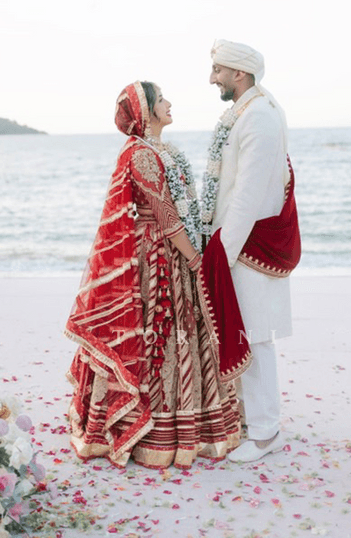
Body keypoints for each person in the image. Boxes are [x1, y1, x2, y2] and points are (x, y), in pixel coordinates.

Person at [65, 81, 241, 469]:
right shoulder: (142, 155)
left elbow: (182, 210)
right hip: (156, 259)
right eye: (161, 99)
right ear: (145, 111)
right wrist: (196, 261)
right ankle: (150, 432)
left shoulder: (162, 151)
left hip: (170, 250)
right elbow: (166, 215)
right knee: (157, 335)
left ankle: (188, 425)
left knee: (182, 335)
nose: (169, 103)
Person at [201, 39, 301, 464]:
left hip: (247, 245)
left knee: (255, 336)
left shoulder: (258, 115)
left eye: (218, 71)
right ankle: (251, 421)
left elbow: (248, 191)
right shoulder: (248, 110)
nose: (212, 78)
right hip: (237, 240)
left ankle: (265, 434)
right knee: (246, 333)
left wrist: (221, 250)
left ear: (238, 74)